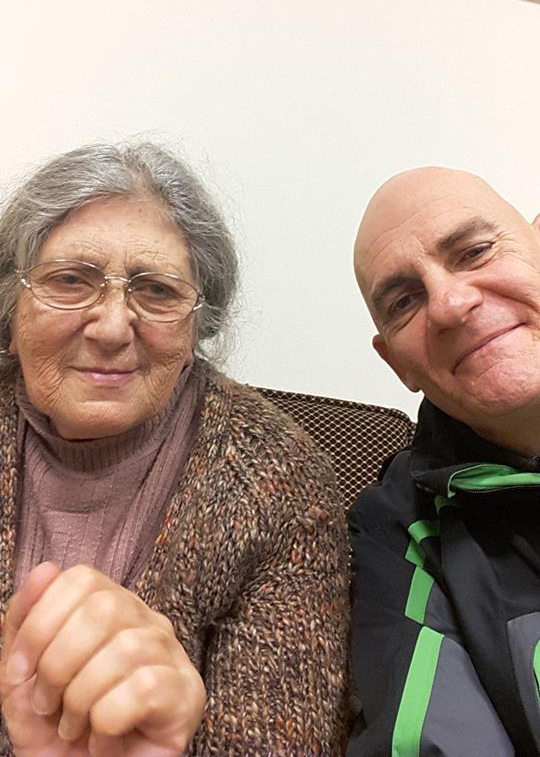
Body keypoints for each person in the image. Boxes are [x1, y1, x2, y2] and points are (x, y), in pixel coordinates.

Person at [0, 141, 349, 757]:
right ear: (12, 308)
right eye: (70, 280)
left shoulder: (279, 482)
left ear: (196, 328)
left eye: (157, 291)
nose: (112, 327)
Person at [348, 166, 540, 756]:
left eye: (475, 252)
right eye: (404, 301)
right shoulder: (399, 533)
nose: (452, 304)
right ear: (396, 364)